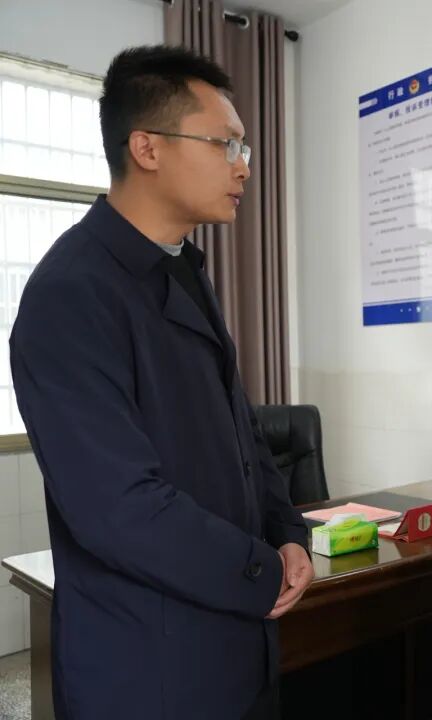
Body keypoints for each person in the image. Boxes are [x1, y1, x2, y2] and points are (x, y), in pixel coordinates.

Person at [9, 45, 313, 720]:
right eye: (225, 143)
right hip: (149, 666)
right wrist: (260, 568)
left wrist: (288, 530)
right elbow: (118, 508)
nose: (242, 166)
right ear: (146, 147)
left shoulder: (184, 270)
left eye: (243, 147)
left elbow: (243, 433)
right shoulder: (71, 294)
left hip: (236, 644)